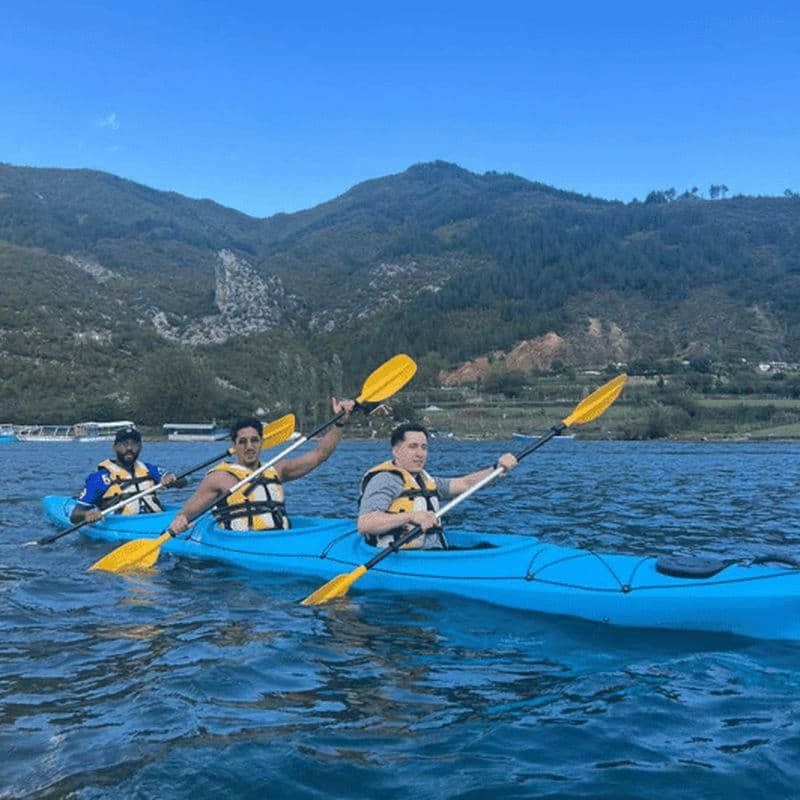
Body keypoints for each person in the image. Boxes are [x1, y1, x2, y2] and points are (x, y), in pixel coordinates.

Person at [169, 398, 355, 533]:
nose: (249, 447)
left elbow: (319, 455)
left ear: (262, 442)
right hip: (239, 550)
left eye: (254, 440)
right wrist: (180, 522)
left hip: (278, 539)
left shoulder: (277, 469)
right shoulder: (219, 478)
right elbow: (185, 515)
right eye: (242, 442)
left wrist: (339, 423)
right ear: (233, 445)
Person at [357, 422, 518, 549]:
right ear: (396, 451)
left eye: (424, 447)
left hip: (433, 553)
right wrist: (411, 516)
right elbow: (366, 523)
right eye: (413, 447)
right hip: (402, 557)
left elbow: (465, 483)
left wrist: (496, 469)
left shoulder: (425, 480)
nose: (420, 454)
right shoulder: (385, 479)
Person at [70, 427, 180, 524]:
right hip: (123, 525)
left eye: (134, 444)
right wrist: (87, 515)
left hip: (155, 519)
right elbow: (75, 516)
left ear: (140, 447)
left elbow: (184, 482)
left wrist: (172, 479)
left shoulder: (149, 469)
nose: (129, 448)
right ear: (115, 447)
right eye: (124, 444)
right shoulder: (100, 478)